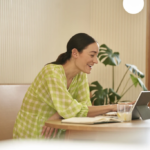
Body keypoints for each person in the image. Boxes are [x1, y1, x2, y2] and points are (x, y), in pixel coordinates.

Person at [13, 33, 120, 139]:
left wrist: (59, 114)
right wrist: (113, 107)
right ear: (75, 53)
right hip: (34, 132)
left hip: (58, 132)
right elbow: (70, 109)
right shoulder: (51, 72)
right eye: (92, 55)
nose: (96, 61)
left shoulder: (81, 74)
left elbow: (85, 107)